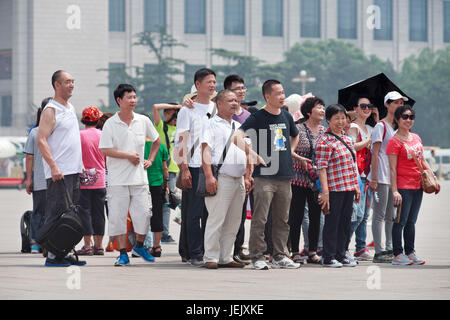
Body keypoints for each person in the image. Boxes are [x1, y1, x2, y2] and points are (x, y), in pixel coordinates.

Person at [234, 79, 301, 270]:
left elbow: (295, 135)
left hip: (285, 175)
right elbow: (236, 137)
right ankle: (257, 256)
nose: (282, 97)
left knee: (282, 219)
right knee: (260, 218)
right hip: (264, 176)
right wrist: (252, 154)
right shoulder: (259, 117)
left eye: (283, 92)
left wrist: (291, 151)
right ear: (267, 96)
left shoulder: (287, 116)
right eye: (278, 93)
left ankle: (280, 255)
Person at [99, 84, 161, 266]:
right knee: (117, 218)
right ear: (119, 100)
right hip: (117, 180)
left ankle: (140, 246)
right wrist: (128, 155)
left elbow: (157, 141)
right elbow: (104, 149)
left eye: (134, 97)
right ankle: (123, 254)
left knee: (143, 215)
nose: (133, 100)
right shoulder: (111, 123)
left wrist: (149, 159)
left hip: (139, 179)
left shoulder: (143, 120)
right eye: (129, 97)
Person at [37, 70, 85, 267]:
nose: (72, 85)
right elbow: (41, 140)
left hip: (73, 171)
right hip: (59, 172)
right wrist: (54, 166)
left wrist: (80, 165)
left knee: (70, 214)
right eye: (67, 82)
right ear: (57, 85)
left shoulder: (70, 107)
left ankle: (63, 251)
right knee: (56, 213)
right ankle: (51, 255)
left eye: (73, 81)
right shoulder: (51, 110)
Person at [202, 89, 253, 269]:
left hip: (238, 179)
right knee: (216, 218)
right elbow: (205, 151)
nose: (234, 103)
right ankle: (211, 256)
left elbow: (247, 154)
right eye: (230, 100)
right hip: (221, 177)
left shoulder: (238, 127)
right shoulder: (210, 124)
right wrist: (209, 176)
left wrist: (248, 176)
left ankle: (226, 256)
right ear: (219, 103)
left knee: (234, 220)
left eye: (236, 101)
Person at [174, 68, 217, 267]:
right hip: (194, 166)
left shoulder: (217, 108)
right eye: (208, 82)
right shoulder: (187, 110)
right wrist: (183, 168)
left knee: (211, 213)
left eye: (214, 82)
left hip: (214, 166)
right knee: (193, 213)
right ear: (197, 85)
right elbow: (181, 141)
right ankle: (195, 252)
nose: (212, 85)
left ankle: (207, 250)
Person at [387, 105, 440, 265]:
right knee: (400, 221)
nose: (408, 120)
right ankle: (397, 254)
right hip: (403, 187)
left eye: (411, 117)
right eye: (405, 117)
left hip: (418, 185)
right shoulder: (394, 142)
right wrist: (395, 191)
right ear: (397, 119)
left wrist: (433, 176)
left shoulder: (416, 138)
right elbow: (392, 169)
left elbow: (422, 160)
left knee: (411, 221)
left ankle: (410, 252)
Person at [315, 104, 361, 268]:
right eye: (337, 118)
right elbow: (321, 167)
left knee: (345, 223)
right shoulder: (324, 140)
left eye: (343, 118)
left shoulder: (348, 139)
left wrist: (356, 186)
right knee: (332, 223)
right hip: (334, 189)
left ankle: (341, 254)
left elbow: (351, 165)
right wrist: (325, 192)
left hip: (348, 187)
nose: (341, 122)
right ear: (328, 120)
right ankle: (328, 256)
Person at [368, 91, 406, 263]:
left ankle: (389, 247)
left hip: (392, 177)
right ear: (387, 104)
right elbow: (375, 153)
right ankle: (378, 250)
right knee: (379, 214)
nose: (399, 106)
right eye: (396, 103)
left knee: (391, 214)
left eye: (400, 103)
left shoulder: (396, 128)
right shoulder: (380, 127)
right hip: (381, 177)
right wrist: (374, 179)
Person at [288, 96, 325, 264]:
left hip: (317, 180)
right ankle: (294, 251)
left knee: (316, 217)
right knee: (295, 216)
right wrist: (300, 160)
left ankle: (312, 251)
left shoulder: (325, 132)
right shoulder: (297, 129)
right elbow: (289, 151)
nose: (322, 110)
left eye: (323, 107)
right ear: (309, 111)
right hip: (298, 179)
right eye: (319, 107)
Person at [223, 74, 252, 265]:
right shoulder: (219, 114)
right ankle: (216, 252)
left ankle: (236, 249)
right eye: (236, 89)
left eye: (243, 88)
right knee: (221, 215)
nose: (241, 92)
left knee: (239, 216)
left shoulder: (249, 116)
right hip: (223, 171)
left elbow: (252, 147)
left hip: (242, 172)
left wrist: (249, 173)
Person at [347, 96, 377, 261]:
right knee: (356, 215)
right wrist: (368, 141)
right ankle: (343, 246)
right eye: (363, 106)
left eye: (370, 106)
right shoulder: (353, 127)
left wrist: (377, 120)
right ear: (355, 109)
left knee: (365, 216)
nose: (367, 109)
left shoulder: (372, 128)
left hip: (368, 175)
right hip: (355, 175)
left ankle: (360, 247)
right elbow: (352, 146)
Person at [76, 106, 107, 256]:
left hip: (84, 177)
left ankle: (87, 245)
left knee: (85, 212)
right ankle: (99, 245)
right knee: (99, 212)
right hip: (100, 177)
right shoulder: (103, 135)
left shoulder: (79, 135)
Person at [24, 97, 52, 254]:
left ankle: (36, 242)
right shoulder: (36, 132)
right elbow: (29, 157)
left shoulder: (35, 132)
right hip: (50, 180)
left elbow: (29, 157)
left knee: (39, 212)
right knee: (50, 212)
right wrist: (29, 179)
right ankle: (43, 242)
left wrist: (29, 178)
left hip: (42, 180)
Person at [153, 103, 182, 243]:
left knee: (176, 199)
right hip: (165, 169)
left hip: (178, 169)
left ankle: (180, 218)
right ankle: (164, 234)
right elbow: (155, 107)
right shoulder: (160, 126)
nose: (172, 115)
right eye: (169, 112)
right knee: (166, 202)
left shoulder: (180, 128)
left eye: (173, 113)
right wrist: (177, 106)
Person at [143, 136, 169, 257]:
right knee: (157, 214)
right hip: (157, 184)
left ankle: (142, 245)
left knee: (142, 215)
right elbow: (165, 168)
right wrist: (167, 184)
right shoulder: (161, 146)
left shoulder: (138, 146)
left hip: (142, 184)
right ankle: (157, 246)